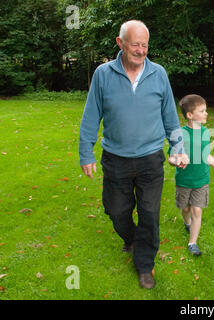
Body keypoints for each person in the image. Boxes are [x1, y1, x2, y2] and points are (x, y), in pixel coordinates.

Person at [78, 20, 188, 289]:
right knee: (116, 211)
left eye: (145, 45)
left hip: (151, 159)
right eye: (135, 44)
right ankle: (132, 238)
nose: (140, 50)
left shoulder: (159, 74)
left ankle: (144, 265)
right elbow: (91, 116)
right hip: (115, 158)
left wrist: (178, 148)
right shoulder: (103, 74)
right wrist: (85, 152)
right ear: (120, 43)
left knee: (149, 214)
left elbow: (171, 119)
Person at [168, 95, 214, 256]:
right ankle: (186, 221)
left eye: (206, 110)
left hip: (201, 180)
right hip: (184, 180)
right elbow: (171, 157)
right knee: (185, 208)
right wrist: (177, 161)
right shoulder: (180, 134)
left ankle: (192, 242)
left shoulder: (204, 132)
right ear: (189, 115)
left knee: (197, 210)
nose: (206, 113)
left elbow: (205, 155)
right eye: (202, 111)